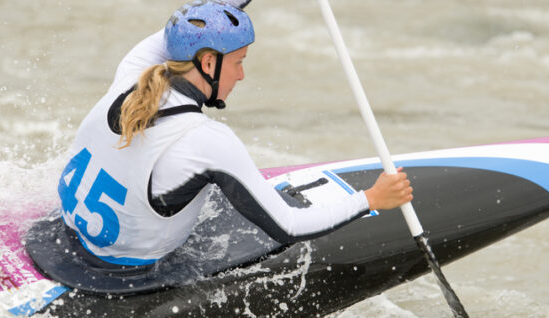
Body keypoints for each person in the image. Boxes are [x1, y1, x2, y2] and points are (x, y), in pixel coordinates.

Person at [57, 0, 413, 267]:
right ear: (208, 63)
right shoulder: (207, 142)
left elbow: (203, 15)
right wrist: (372, 198)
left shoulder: (135, 68)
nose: (241, 76)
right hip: (126, 268)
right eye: (239, 62)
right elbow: (288, 226)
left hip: (71, 232)